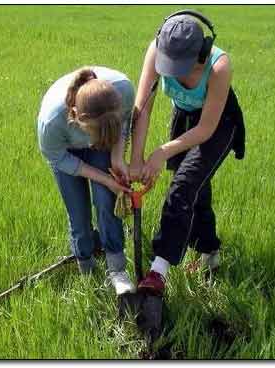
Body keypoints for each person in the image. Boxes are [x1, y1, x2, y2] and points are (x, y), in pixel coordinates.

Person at [129, 10, 246, 296]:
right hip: (184, 118)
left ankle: (158, 271)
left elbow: (206, 128)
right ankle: (210, 255)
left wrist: (161, 152)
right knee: (197, 189)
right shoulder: (157, 51)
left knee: (182, 187)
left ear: (201, 53)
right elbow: (142, 108)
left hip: (217, 125)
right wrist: (136, 159)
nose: (172, 73)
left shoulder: (219, 67)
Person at [37, 66, 136, 295]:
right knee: (78, 213)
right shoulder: (51, 123)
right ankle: (87, 267)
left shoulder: (123, 89)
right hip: (66, 153)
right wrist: (104, 177)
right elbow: (58, 158)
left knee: (106, 202)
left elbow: (125, 122)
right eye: (97, 134)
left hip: (103, 137)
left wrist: (117, 156)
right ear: (78, 119)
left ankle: (117, 270)